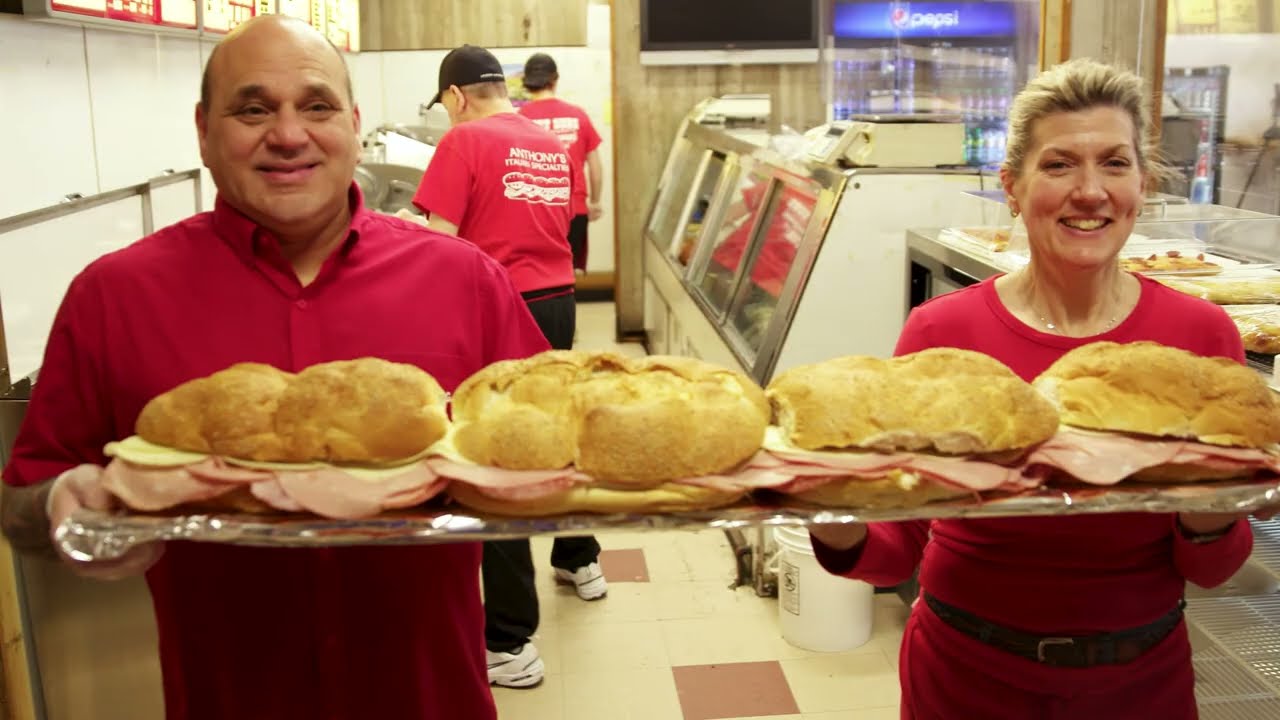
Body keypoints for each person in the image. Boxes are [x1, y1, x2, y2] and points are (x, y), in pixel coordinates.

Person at [0, 16, 552, 720]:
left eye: (316, 106)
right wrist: (60, 507)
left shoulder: (464, 280)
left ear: (352, 124)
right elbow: (21, 500)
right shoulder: (115, 296)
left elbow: (550, 455)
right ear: (204, 131)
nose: (289, 134)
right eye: (253, 108)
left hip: (428, 699)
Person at [808, 58, 1270, 720]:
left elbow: (1212, 568)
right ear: (1012, 188)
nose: (1090, 190)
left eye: (1114, 163)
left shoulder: (1198, 335)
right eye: (1058, 165)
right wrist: (834, 513)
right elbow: (894, 554)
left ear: (1144, 183)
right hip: (964, 676)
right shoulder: (943, 331)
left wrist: (1210, 516)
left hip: (1139, 683)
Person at [411, 44, 605, 690]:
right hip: (558, 304)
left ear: (457, 97)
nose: (446, 118)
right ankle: (580, 559)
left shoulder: (463, 143)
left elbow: (438, 244)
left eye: (444, 107)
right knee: (555, 440)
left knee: (495, 468)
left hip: (499, 309)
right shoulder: (546, 138)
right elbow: (571, 215)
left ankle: (509, 641)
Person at [516, 52, 605, 274]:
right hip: (575, 209)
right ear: (555, 80)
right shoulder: (578, 116)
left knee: (540, 274)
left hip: (535, 212)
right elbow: (595, 167)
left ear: (526, 84)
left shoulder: (520, 119)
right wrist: (594, 202)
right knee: (570, 273)